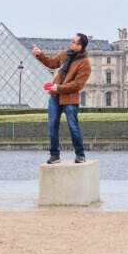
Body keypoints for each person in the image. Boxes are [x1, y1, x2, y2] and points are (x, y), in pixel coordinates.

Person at [32, 34, 92, 164]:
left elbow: (77, 85)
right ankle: (55, 155)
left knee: (73, 127)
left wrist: (58, 88)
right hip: (55, 96)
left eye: (74, 42)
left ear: (80, 46)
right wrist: (40, 55)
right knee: (52, 125)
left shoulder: (85, 64)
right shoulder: (66, 53)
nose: (71, 43)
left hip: (69, 98)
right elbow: (52, 63)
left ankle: (80, 154)